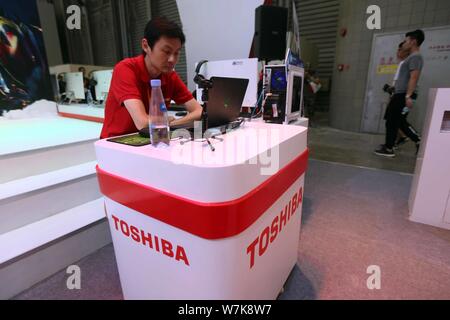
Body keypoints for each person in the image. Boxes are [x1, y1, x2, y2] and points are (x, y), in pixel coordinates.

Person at [100, 17, 202, 139]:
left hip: (153, 139)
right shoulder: (125, 69)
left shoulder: (170, 76)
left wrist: (171, 123)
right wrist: (166, 122)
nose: (172, 60)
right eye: (166, 51)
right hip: (118, 143)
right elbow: (142, 123)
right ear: (145, 45)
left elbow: (199, 111)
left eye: (176, 53)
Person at [375, 29, 424, 158]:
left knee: (394, 121)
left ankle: (390, 148)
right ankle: (389, 145)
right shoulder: (411, 58)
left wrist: (408, 96)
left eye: (407, 40)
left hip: (403, 95)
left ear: (413, 41)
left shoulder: (416, 57)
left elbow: (414, 77)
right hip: (400, 94)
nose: (405, 43)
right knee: (394, 121)